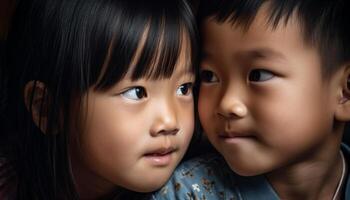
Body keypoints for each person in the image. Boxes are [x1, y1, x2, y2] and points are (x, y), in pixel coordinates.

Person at [151, 0, 350, 199]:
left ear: (345, 92)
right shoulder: (184, 192)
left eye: (259, 75)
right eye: (209, 76)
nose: (227, 104)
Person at [2, 0, 198, 199]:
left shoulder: (194, 188)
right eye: (136, 92)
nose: (170, 121)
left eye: (184, 88)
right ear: (46, 109)